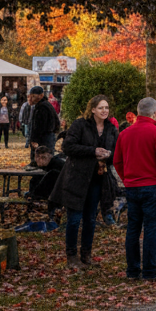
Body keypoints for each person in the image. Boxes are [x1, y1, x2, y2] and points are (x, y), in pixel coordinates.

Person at [49, 95, 119, 269]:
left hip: (98, 179)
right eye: (101, 108)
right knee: (74, 218)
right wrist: (92, 151)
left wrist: (108, 155)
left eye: (107, 108)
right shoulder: (80, 125)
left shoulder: (111, 129)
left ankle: (86, 255)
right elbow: (68, 147)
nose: (105, 111)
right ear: (93, 109)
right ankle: (71, 256)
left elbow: (116, 151)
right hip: (77, 177)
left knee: (90, 219)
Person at [113, 97, 156, 280]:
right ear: (155, 113)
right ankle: (149, 271)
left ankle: (132, 270)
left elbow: (117, 161)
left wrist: (127, 178)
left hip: (132, 186)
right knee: (151, 230)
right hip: (153, 185)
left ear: (137, 112)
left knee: (133, 229)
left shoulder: (125, 134)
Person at [27, 145, 66, 216]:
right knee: (35, 178)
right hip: (56, 191)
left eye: (41, 157)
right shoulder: (51, 163)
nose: (38, 160)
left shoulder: (56, 165)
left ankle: (32, 196)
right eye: (37, 158)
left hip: (58, 192)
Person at [27, 86, 59, 164]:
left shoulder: (42, 107)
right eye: (31, 96)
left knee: (43, 159)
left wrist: (34, 139)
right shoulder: (46, 105)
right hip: (48, 136)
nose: (32, 99)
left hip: (44, 138)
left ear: (41, 96)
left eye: (34, 96)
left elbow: (39, 125)